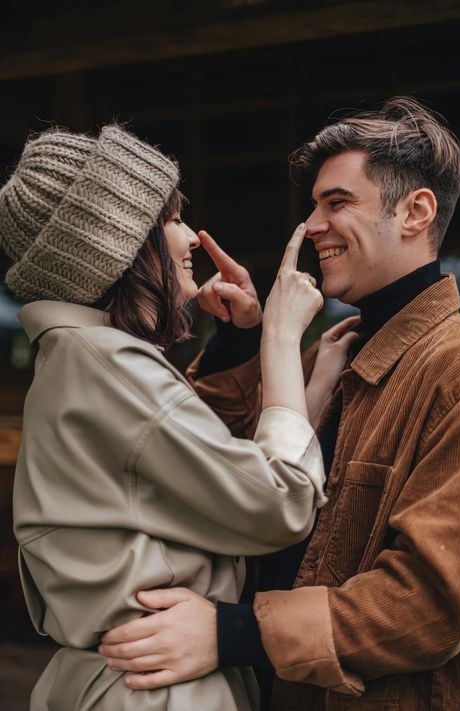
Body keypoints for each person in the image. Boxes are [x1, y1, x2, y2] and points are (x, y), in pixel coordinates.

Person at [98, 97, 460, 711]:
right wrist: (247, 335)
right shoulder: (340, 351)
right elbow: (211, 466)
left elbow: (428, 606)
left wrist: (231, 632)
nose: (313, 225)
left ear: (416, 211)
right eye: (315, 204)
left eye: (337, 202)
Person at [0, 125, 358, 710]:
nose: (191, 236)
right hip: (157, 687)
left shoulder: (79, 359)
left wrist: (242, 345)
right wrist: (279, 335)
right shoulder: (105, 362)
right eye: (170, 219)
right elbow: (279, 502)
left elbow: (197, 472)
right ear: (115, 243)